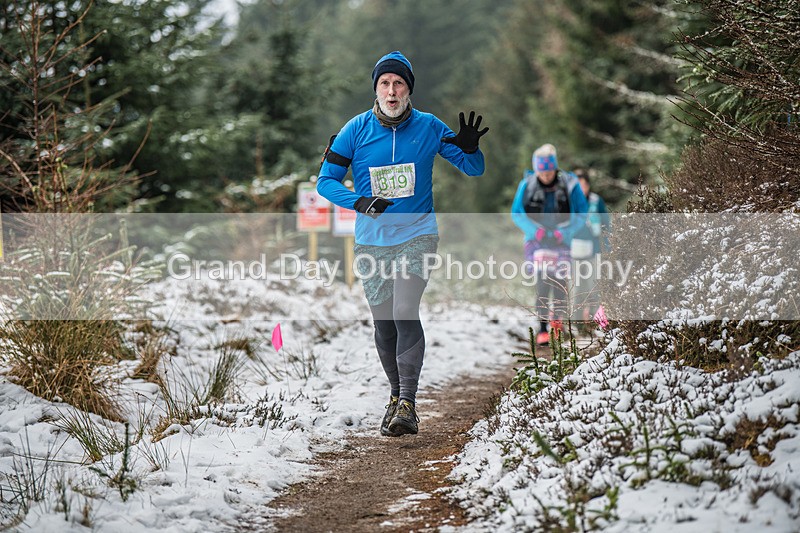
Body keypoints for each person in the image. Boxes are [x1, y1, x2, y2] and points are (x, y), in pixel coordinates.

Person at [316, 51, 488, 437]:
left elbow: (474, 169)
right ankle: (395, 396)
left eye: (399, 84)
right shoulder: (355, 129)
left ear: (409, 90)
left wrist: (471, 148)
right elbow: (324, 182)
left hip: (418, 234)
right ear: (376, 89)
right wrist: (358, 201)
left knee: (405, 310)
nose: (391, 91)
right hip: (372, 240)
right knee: (384, 324)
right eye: (384, 84)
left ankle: (408, 402)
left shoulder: (429, 126)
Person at [511, 144, 587, 345]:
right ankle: (542, 328)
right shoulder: (526, 185)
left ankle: (557, 322)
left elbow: (582, 212)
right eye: (542, 173)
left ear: (555, 169)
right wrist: (534, 231)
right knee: (543, 282)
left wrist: (564, 233)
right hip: (536, 239)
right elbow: (517, 213)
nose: (545, 176)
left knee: (560, 281)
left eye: (549, 172)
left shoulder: (570, 185)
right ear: (536, 170)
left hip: (562, 239)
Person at [572, 168, 611, 320]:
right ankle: (576, 323)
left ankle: (596, 322)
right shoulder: (568, 204)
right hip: (573, 252)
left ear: (588, 185)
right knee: (577, 289)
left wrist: (608, 246)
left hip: (594, 250)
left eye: (583, 185)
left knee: (594, 287)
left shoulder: (596, 201)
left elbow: (606, 225)